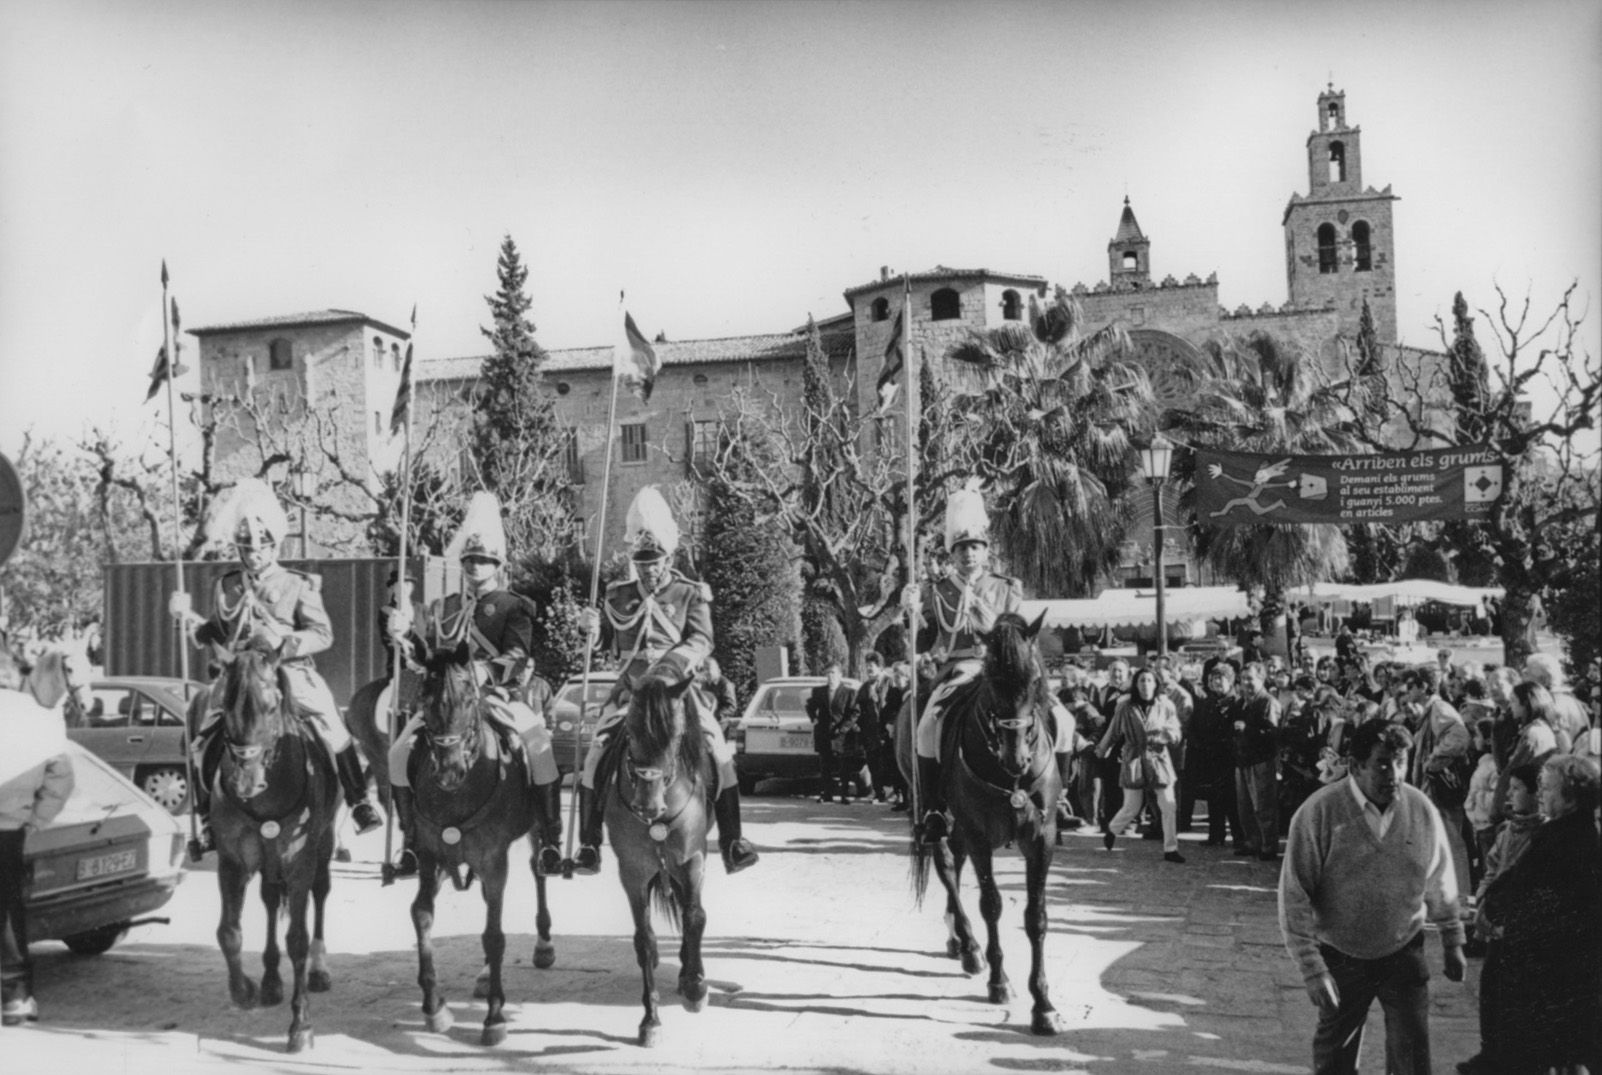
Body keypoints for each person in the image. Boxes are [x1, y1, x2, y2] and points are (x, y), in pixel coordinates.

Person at [170, 479, 382, 857]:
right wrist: (185, 618)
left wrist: (285, 640)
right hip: (237, 674)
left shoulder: (296, 584)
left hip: (289, 670)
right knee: (202, 740)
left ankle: (358, 801)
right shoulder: (227, 585)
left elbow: (323, 633)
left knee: (331, 724)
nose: (254, 556)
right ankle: (206, 816)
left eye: (261, 547)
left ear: (274, 546)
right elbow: (213, 633)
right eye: (247, 549)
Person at [572, 487, 757, 876]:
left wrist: (669, 670)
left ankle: (732, 841)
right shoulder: (616, 594)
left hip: (678, 693)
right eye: (641, 561)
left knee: (719, 753)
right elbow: (608, 639)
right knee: (595, 755)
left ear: (669, 557)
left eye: (654, 560)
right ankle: (589, 842)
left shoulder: (689, 593)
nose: (648, 568)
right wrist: (590, 631)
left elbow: (702, 640)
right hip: (632, 693)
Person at [384, 492, 565, 875]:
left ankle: (550, 839)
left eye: (482, 561)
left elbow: (517, 657)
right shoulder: (444, 607)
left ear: (497, 565)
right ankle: (412, 842)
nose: (474, 566)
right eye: (469, 560)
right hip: (449, 703)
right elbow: (425, 657)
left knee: (539, 748)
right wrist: (404, 635)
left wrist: (483, 673)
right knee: (399, 753)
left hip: (496, 695)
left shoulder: (513, 607)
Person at [1278, 720, 1467, 1075]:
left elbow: (1440, 875)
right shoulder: (1319, 811)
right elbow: (1294, 894)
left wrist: (1452, 938)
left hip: (1403, 948)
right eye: (1382, 763)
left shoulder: (1420, 808)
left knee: (1411, 1055)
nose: (1394, 773)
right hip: (1341, 954)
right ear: (1355, 766)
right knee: (1335, 1057)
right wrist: (1311, 968)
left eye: (1401, 762)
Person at [900, 483, 1072, 844]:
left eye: (975, 548)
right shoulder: (937, 591)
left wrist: (989, 617)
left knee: (1065, 721)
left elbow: (1018, 636)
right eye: (961, 548)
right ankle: (932, 805)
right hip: (959, 669)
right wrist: (911, 614)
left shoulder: (1006, 587)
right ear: (952, 553)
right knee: (928, 724)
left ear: (985, 551)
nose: (968, 555)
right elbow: (923, 643)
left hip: (1002, 670)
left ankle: (1060, 797)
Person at [1465, 755, 1602, 1075]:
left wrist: (1503, 920)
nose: (1541, 794)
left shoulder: (1569, 840)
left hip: (1548, 969)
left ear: (1570, 797)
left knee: (1554, 1052)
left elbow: (1536, 895)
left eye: (1547, 788)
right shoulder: (1565, 833)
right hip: (1548, 964)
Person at [1, 648, 79, 1027]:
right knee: (5, 909)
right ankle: (14, 997)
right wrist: (35, 819)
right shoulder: (39, 718)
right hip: (7, 826)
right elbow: (60, 779)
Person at [1096, 667, 1184, 863]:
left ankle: (1171, 848)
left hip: (1159, 758)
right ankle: (1112, 830)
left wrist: (1171, 735)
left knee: (1168, 805)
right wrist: (1101, 750)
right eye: (1142, 681)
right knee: (1131, 807)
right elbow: (1113, 731)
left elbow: (1176, 728)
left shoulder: (1165, 705)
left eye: (1149, 680)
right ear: (1136, 684)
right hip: (1134, 757)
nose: (1146, 685)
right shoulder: (1125, 707)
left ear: (1156, 684)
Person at [1180, 660, 1243, 848]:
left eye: (1220, 679)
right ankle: (1216, 834)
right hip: (1209, 756)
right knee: (1213, 796)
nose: (1217, 683)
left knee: (1231, 799)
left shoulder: (1236, 703)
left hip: (1229, 756)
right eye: (1213, 679)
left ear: (1230, 681)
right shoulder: (1207, 702)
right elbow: (1194, 726)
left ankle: (1239, 837)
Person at [1232, 661, 1282, 861]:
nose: (1246, 683)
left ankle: (1268, 845)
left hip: (1261, 760)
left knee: (1263, 805)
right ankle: (1252, 842)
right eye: (1243, 679)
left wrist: (1247, 729)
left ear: (1261, 679)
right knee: (1245, 806)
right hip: (1243, 759)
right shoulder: (1242, 701)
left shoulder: (1268, 702)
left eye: (1250, 678)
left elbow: (1273, 734)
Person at [807, 664, 859, 804]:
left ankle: (844, 795)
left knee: (844, 766)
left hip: (842, 735)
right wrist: (814, 718)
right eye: (828, 673)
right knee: (825, 766)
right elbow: (810, 706)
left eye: (833, 673)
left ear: (840, 675)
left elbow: (854, 713)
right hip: (824, 732)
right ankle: (827, 794)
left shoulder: (849, 692)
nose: (830, 676)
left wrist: (843, 728)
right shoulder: (819, 691)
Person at [1521, 653, 1589, 749]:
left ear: (1544, 680)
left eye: (1527, 674)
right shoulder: (1572, 701)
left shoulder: (1546, 705)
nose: (1523, 680)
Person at [854, 653, 892, 803]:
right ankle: (879, 792)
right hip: (870, 734)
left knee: (889, 763)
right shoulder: (864, 687)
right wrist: (857, 725)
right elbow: (857, 708)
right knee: (873, 764)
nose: (869, 669)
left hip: (887, 731)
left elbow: (894, 704)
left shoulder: (889, 683)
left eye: (872, 666)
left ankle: (897, 793)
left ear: (880, 667)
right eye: (867, 666)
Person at [698, 657, 740, 735]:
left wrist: (717, 715)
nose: (706, 672)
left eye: (708, 668)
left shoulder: (725, 684)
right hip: (707, 722)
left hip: (720, 724)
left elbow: (731, 707)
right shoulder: (705, 684)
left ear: (717, 670)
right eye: (704, 669)